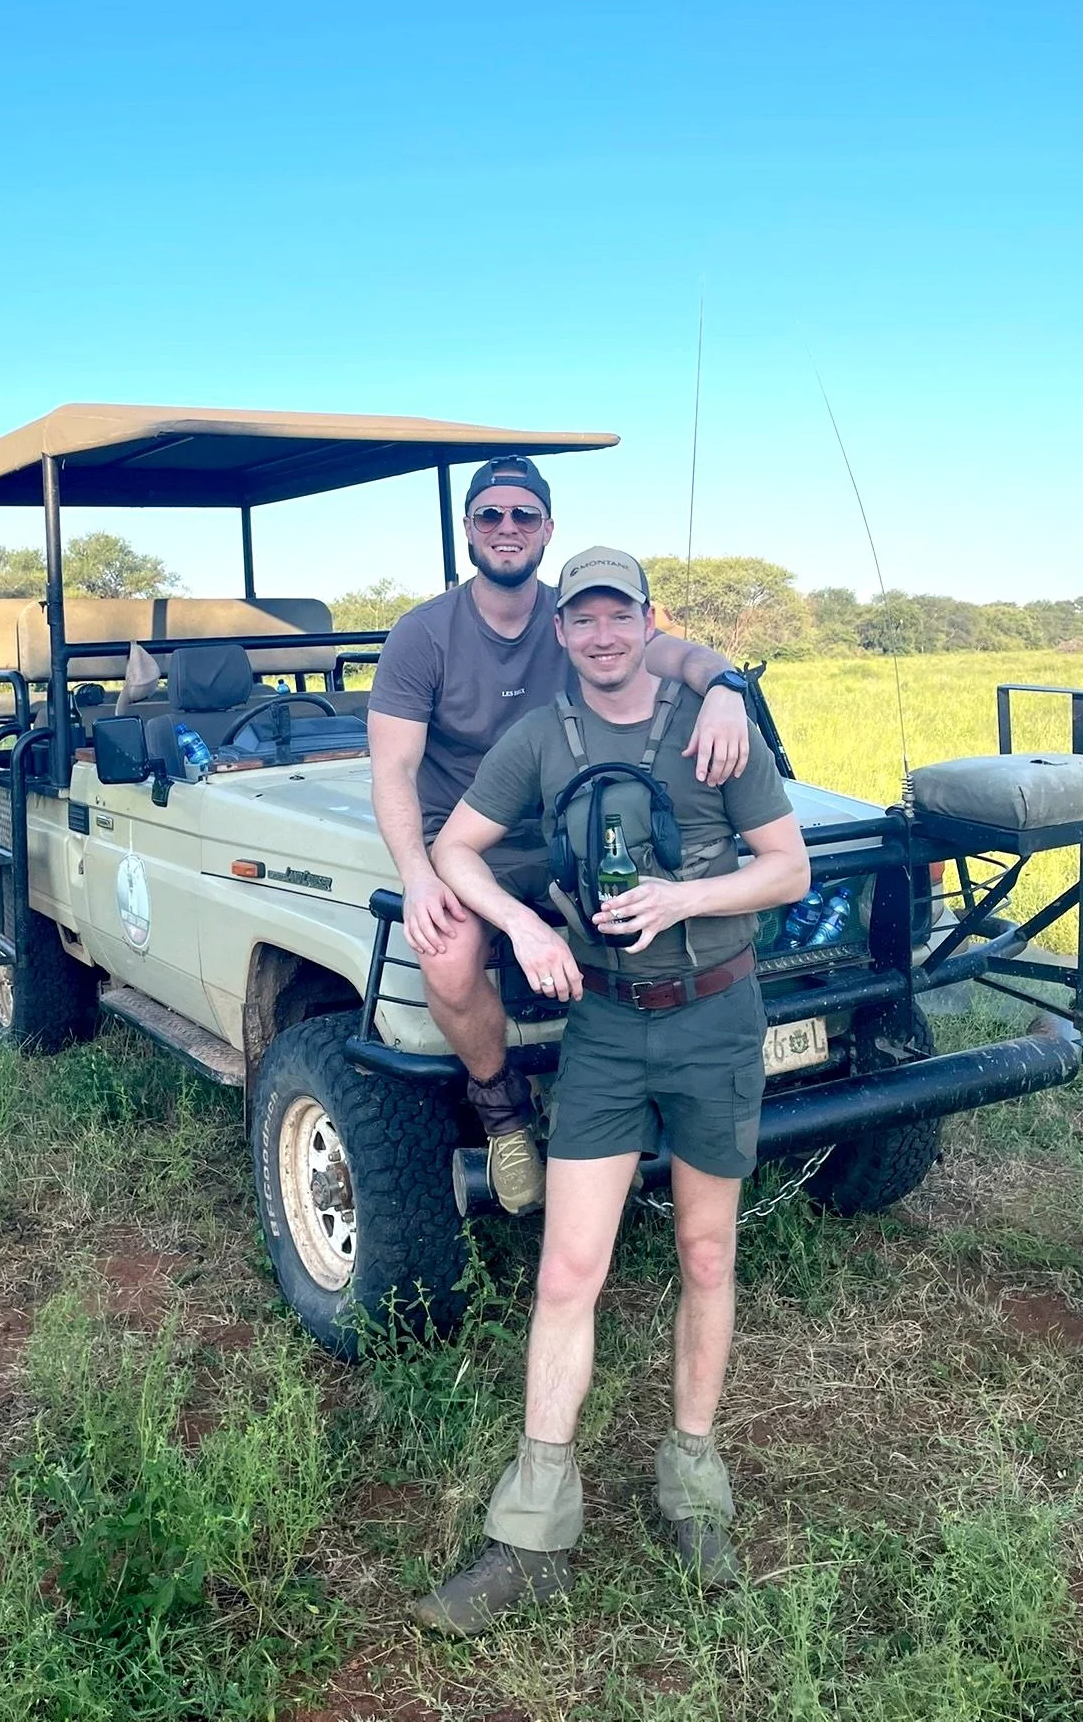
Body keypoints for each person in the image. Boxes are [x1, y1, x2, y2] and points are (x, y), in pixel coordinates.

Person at [408, 546, 809, 1633]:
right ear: (566, 632)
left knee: (706, 1251)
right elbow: (455, 845)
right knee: (569, 1265)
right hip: (606, 1026)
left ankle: (692, 1484)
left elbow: (790, 866)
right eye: (580, 618)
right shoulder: (540, 737)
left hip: (718, 1014)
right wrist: (525, 921)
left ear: (646, 620)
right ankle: (533, 1527)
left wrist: (683, 898)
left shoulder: (710, 724)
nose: (599, 634)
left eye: (616, 614)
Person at [368, 455, 756, 1216]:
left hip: (575, 828)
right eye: (490, 516)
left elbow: (677, 655)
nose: (505, 529)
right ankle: (504, 1112)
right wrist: (416, 873)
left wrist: (724, 689)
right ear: (469, 529)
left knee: (670, 912)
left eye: (522, 516)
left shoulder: (582, 614)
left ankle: (672, 1084)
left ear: (546, 529)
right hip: (468, 838)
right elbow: (394, 765)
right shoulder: (424, 635)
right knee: (445, 957)